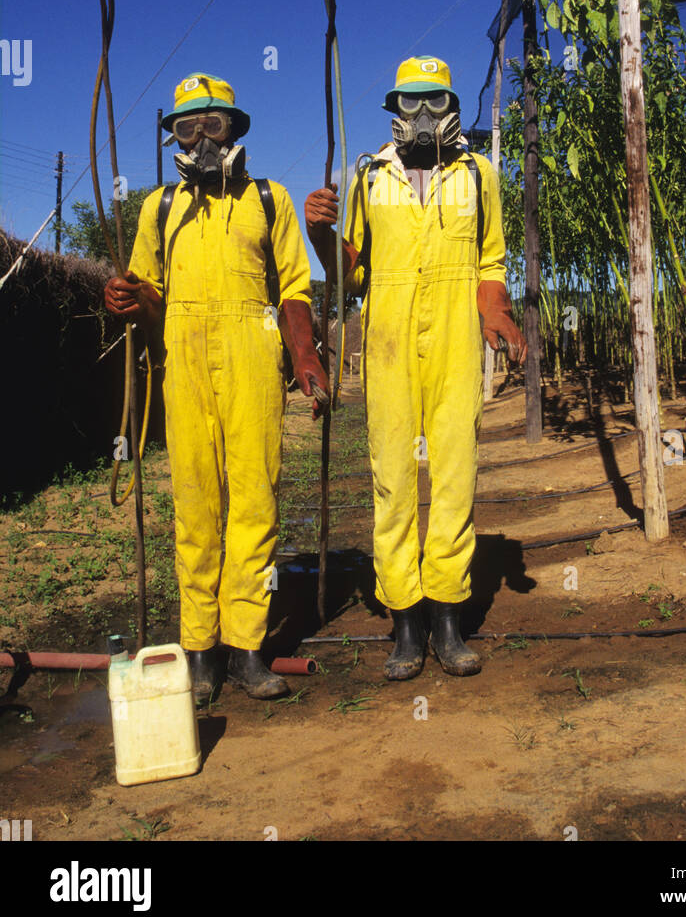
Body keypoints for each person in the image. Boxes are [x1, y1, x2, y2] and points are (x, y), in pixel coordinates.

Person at [105, 73, 328, 702]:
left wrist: (305, 354)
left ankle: (247, 648)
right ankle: (200, 651)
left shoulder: (269, 199)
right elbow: (150, 293)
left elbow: (293, 286)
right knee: (196, 507)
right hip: (184, 360)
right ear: (173, 136)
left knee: (255, 502)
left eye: (214, 125)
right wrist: (129, 296)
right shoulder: (161, 207)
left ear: (235, 130)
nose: (201, 138)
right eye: (187, 127)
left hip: (252, 356)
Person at [305, 56, 526, 680]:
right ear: (393, 110)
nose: (423, 116)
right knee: (393, 476)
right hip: (390, 339)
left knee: (456, 469)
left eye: (434, 102)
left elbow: (492, 260)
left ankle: (449, 618)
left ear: (453, 107)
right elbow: (349, 273)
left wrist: (498, 315)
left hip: (455, 338)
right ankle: (406, 622)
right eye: (410, 104)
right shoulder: (369, 177)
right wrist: (322, 234)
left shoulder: (479, 174)